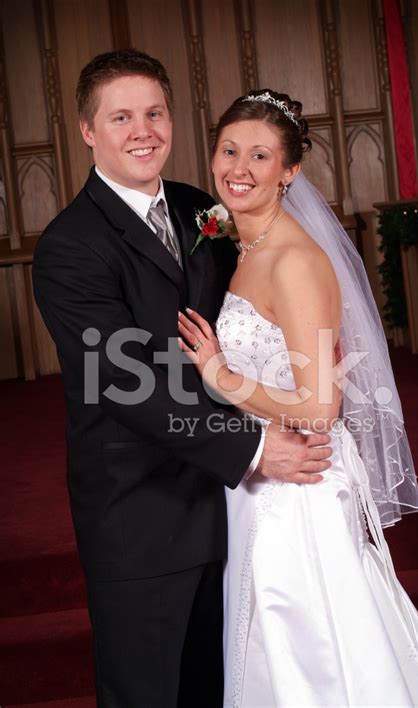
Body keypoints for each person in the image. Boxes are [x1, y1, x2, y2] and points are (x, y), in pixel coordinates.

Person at [32, 52, 333, 707]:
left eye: (154, 113)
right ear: (88, 130)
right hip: (142, 519)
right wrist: (253, 449)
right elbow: (124, 383)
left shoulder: (204, 210)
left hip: (235, 513)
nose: (143, 130)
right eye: (120, 117)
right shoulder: (69, 247)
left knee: (221, 691)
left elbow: (268, 307)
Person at [178, 89, 418, 706]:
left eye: (260, 156)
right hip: (259, 478)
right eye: (229, 150)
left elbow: (319, 406)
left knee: (307, 648)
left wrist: (220, 377)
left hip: (300, 486)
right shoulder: (243, 244)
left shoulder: (296, 262)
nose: (239, 168)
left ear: (290, 171)